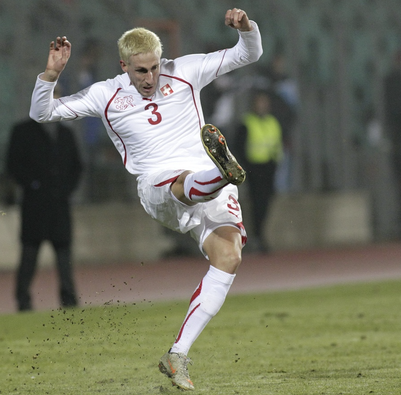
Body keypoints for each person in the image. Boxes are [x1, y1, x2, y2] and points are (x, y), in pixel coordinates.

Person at [29, 8, 262, 391]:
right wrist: (51, 75)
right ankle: (222, 171)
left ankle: (178, 355)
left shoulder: (185, 71)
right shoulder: (105, 94)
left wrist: (246, 28)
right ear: (124, 65)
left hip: (206, 187)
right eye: (140, 71)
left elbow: (247, 53)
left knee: (230, 256)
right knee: (183, 181)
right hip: (158, 186)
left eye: (155, 67)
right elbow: (43, 113)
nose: (150, 77)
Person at [6, 90, 83, 311]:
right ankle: (23, 300)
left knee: (64, 255)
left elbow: (77, 167)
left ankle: (69, 300)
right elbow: (13, 165)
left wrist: (66, 190)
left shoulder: (66, 133)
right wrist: (32, 185)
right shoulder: (22, 132)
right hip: (34, 205)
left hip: (60, 205)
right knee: (29, 254)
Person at [233, 90, 284, 252]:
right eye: (259, 102)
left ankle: (258, 236)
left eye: (265, 102)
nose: (262, 106)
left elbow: (277, 145)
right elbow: (239, 148)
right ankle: (256, 237)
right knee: (256, 205)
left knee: (265, 204)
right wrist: (245, 168)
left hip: (269, 169)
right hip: (254, 170)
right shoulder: (247, 123)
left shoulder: (273, 122)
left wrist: (276, 164)